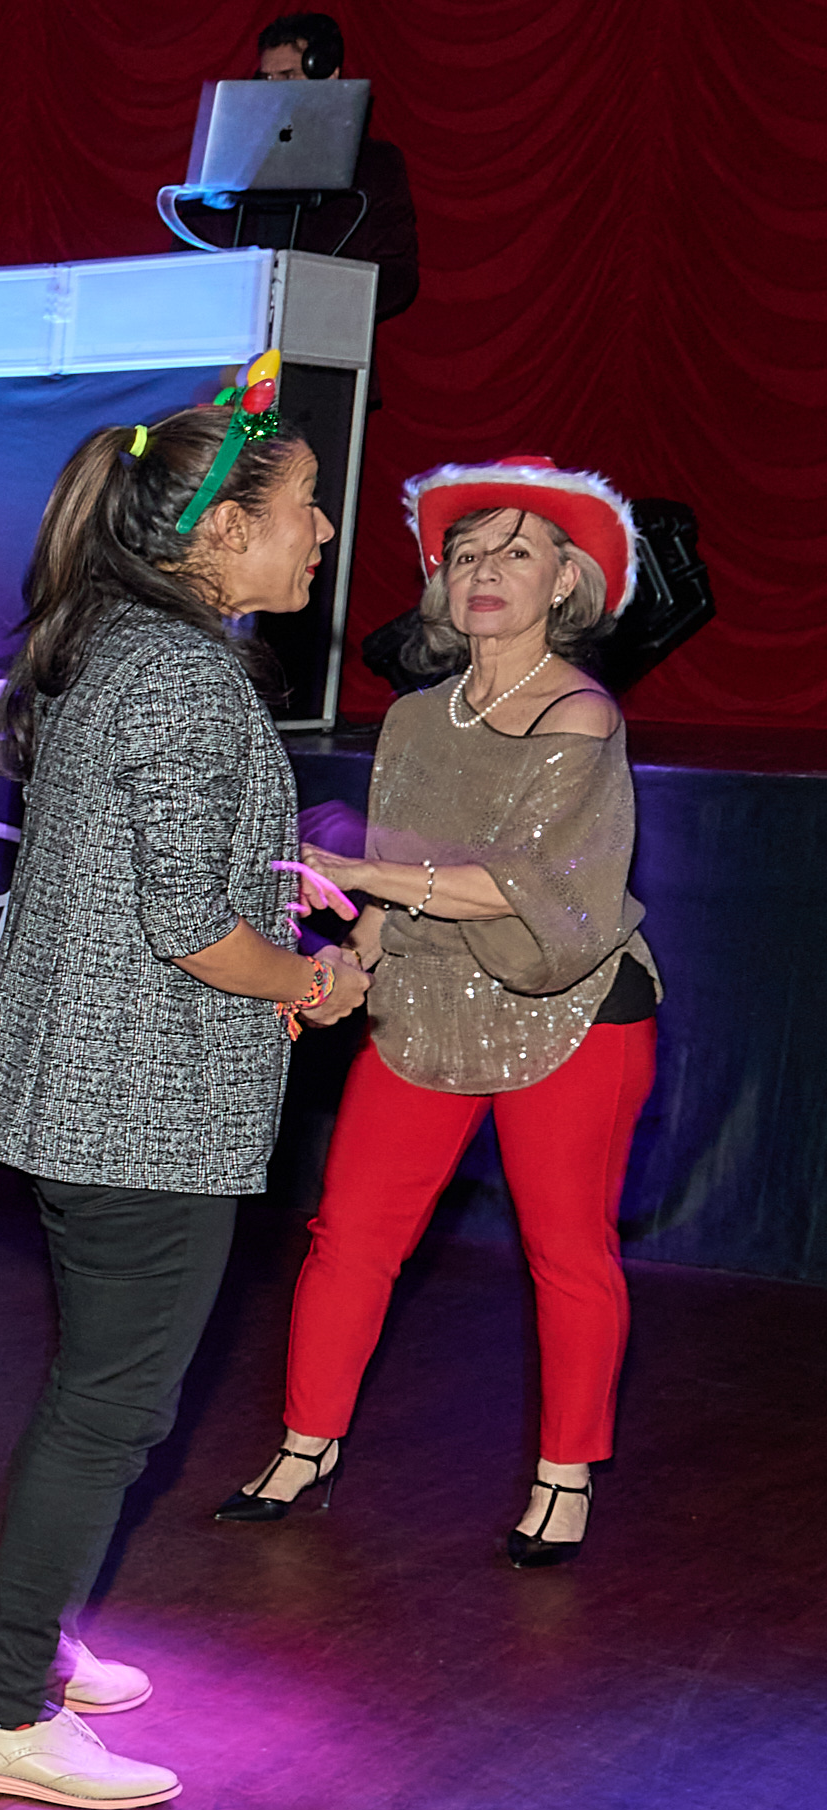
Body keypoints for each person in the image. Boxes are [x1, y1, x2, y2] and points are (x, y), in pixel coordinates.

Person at [0, 361, 362, 1810]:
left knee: (93, 1389)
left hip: (90, 1088)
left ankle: (29, 1634)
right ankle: (3, 1709)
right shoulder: (183, 671)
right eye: (306, 504)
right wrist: (309, 978)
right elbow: (187, 926)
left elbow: (146, 870)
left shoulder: (117, 642)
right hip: (143, 1106)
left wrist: (274, 879)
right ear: (222, 526)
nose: (324, 532)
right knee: (112, 1407)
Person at [221, 461, 659, 1567]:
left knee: (567, 1250)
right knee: (350, 1232)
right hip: (426, 1001)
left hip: (571, 1010)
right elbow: (399, 879)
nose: (485, 572)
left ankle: (565, 1473)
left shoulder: (582, 715)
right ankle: (306, 1442)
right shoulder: (417, 720)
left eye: (517, 551)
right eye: (466, 554)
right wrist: (346, 961)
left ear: (567, 580)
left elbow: (519, 883)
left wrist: (361, 873)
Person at [174, 10, 420, 323]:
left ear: (329, 76)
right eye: (267, 79)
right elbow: (187, 251)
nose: (273, 91)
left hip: (324, 341)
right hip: (233, 341)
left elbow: (398, 276)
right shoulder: (235, 160)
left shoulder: (374, 165)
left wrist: (320, 300)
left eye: (289, 76)